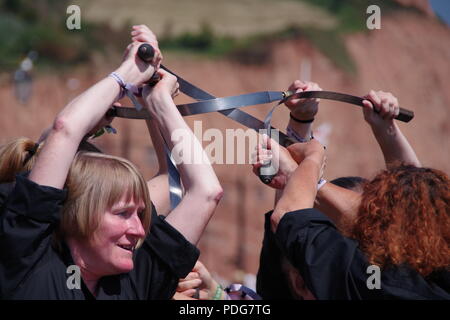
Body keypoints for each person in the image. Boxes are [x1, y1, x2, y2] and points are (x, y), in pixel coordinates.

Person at [0, 26, 223, 299]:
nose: (139, 230)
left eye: (139, 215)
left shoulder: (136, 279)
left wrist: (158, 103)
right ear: (77, 212)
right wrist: (126, 75)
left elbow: (206, 191)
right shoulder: (24, 255)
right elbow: (65, 130)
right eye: (122, 214)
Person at [253, 82, 449, 299]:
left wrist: (308, 159)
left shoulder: (365, 279)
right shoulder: (425, 278)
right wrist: (387, 129)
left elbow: (291, 219)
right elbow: (413, 209)